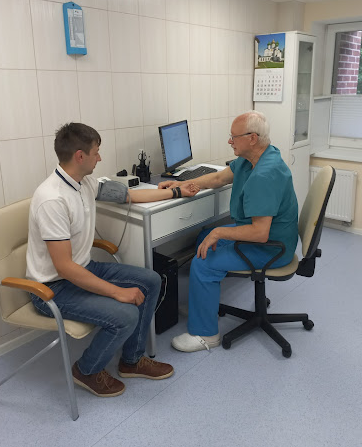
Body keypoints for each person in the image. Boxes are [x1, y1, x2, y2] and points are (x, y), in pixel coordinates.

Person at [26, 122, 199, 397]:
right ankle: (86, 370)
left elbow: (129, 195)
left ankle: (132, 360)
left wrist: (176, 191)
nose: (100, 158)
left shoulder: (85, 183)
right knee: (126, 313)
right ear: (80, 156)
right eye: (96, 152)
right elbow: (64, 267)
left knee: (152, 280)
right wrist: (117, 292)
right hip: (52, 288)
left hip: (83, 269)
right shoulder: (52, 200)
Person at [158, 111, 298, 352]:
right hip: (268, 237)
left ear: (252, 138)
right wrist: (181, 184)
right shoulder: (254, 158)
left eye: (234, 137)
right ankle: (204, 305)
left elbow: (260, 233)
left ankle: (206, 335)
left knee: (204, 262)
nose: (229, 141)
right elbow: (218, 179)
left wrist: (220, 233)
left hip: (272, 247)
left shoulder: (264, 174)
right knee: (204, 238)